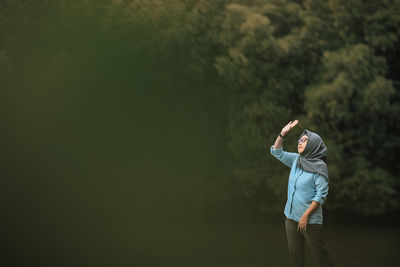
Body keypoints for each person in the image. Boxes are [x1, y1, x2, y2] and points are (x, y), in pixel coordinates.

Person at [270, 120, 334, 267]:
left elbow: (321, 195)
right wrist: (282, 133)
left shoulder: (320, 167)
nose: (300, 142)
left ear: (313, 145)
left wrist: (305, 216)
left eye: (304, 140)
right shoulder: (296, 160)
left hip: (310, 221)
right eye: (299, 140)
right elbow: (276, 152)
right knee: (297, 260)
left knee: (321, 258)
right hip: (291, 219)